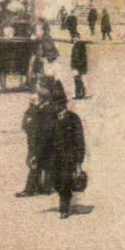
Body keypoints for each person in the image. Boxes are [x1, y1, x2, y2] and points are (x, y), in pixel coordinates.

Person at [44, 81, 86, 219]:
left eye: (55, 104)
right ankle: (64, 196)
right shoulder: (51, 119)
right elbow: (47, 139)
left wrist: (79, 161)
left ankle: (64, 208)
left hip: (69, 157)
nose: (53, 107)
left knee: (65, 182)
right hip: (55, 157)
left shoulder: (73, 118)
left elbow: (80, 141)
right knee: (56, 181)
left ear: (62, 104)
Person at [17, 78, 52, 196]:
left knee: (35, 162)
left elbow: (36, 126)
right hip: (35, 139)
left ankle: (31, 189)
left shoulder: (44, 110)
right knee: (38, 162)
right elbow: (25, 125)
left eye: (35, 99)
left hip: (41, 141)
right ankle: (41, 187)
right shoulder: (34, 109)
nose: (32, 101)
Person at [70, 35, 90, 100]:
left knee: (79, 80)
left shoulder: (81, 46)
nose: (74, 39)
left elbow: (83, 57)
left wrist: (79, 65)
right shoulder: (75, 46)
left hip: (80, 66)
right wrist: (72, 65)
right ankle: (78, 94)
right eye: (73, 38)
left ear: (78, 38)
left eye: (75, 38)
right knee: (77, 80)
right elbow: (73, 57)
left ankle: (81, 94)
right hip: (76, 66)